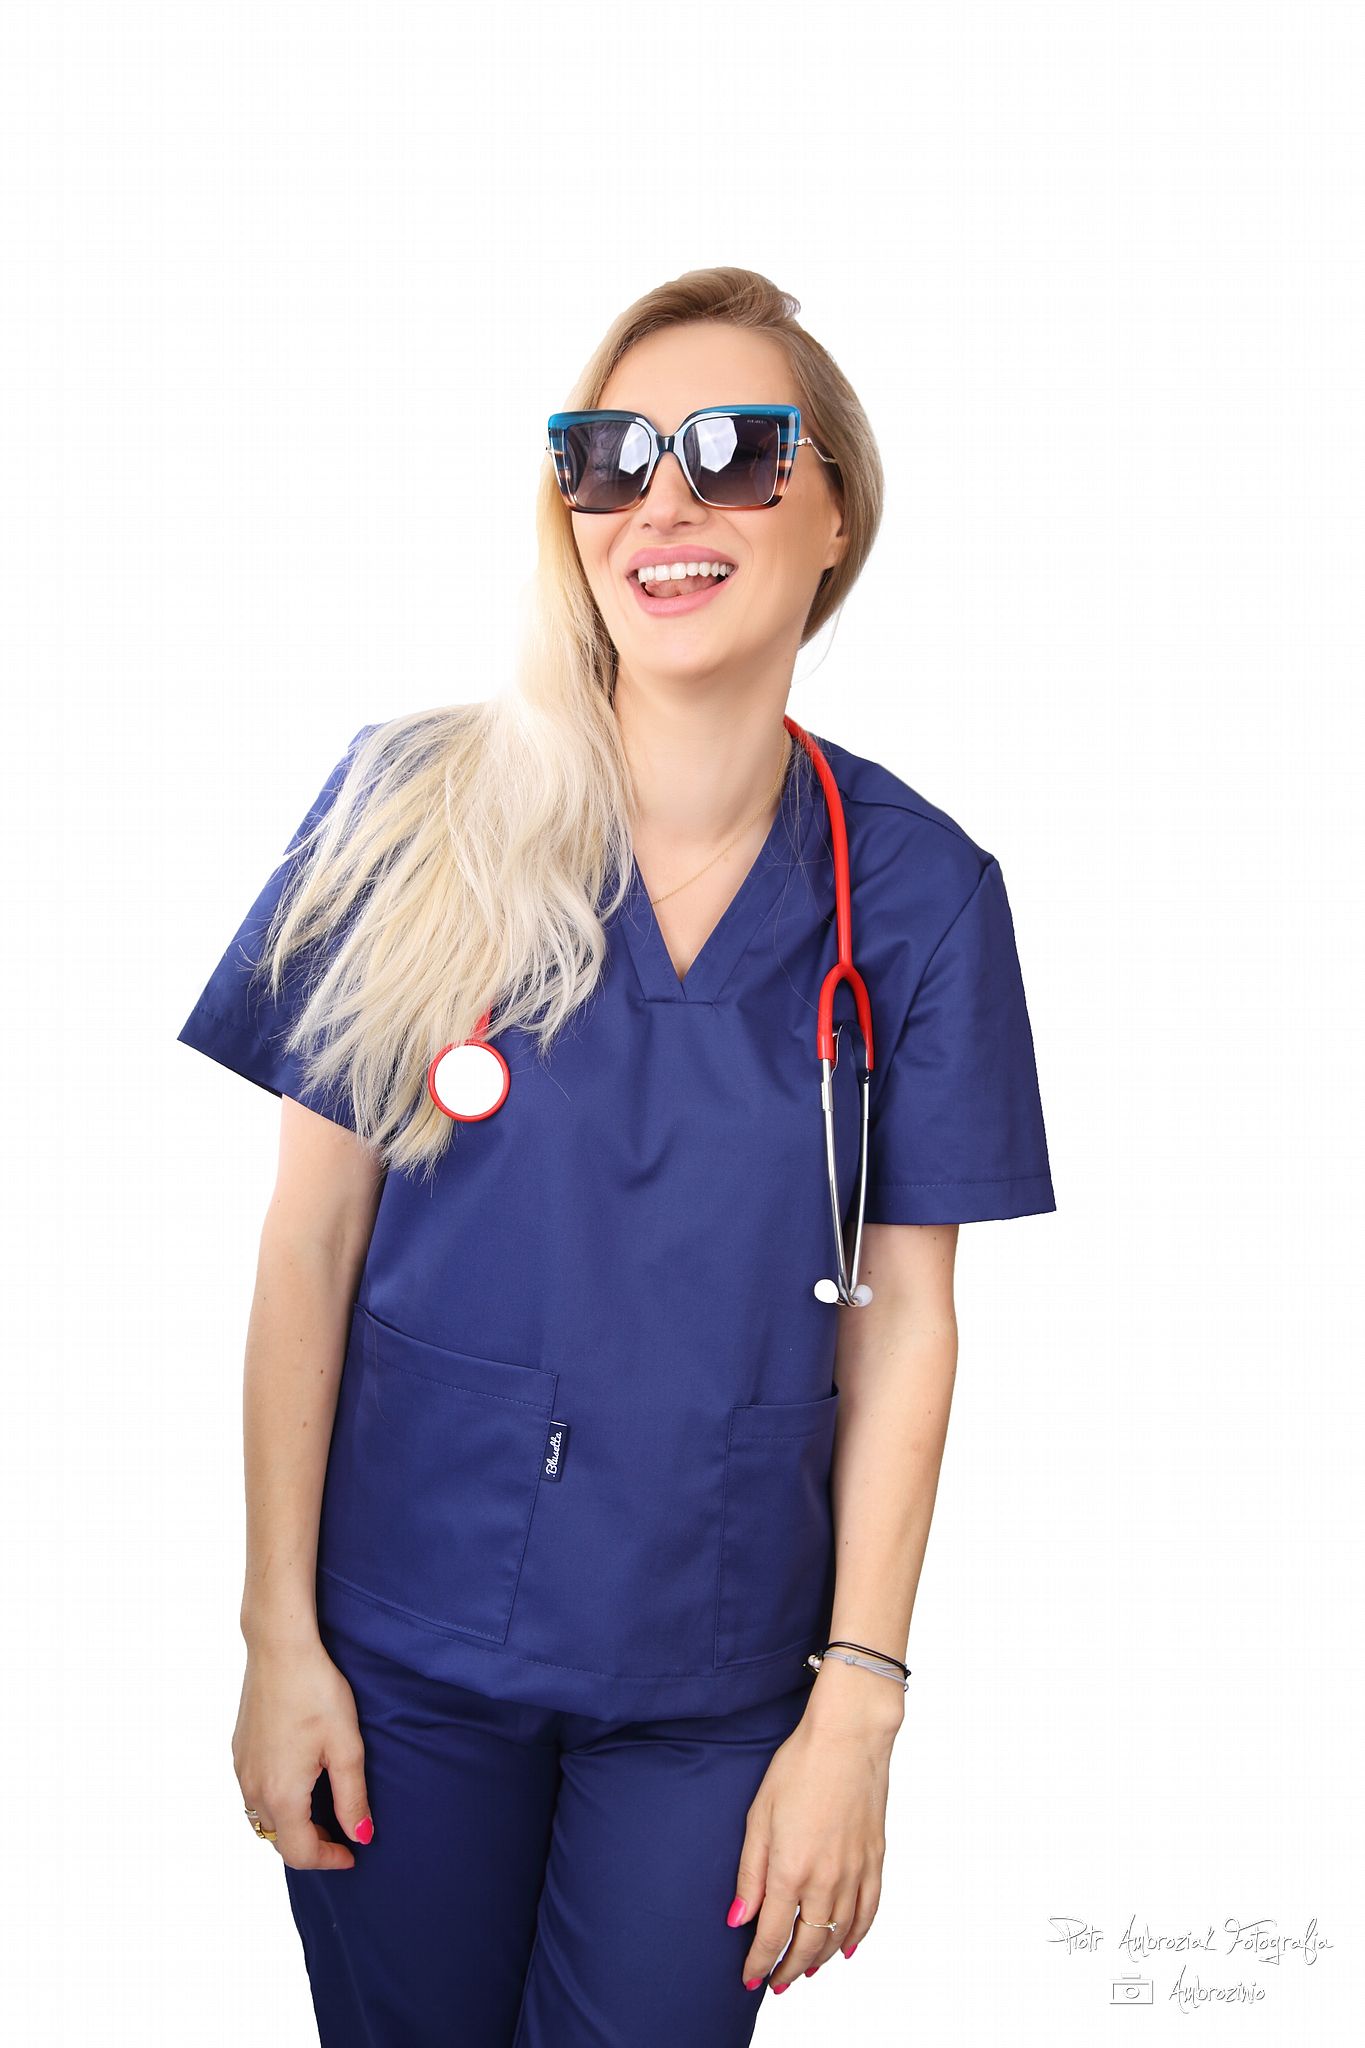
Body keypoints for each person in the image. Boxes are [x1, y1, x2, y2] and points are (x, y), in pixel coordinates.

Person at [177, 265, 1056, 2047]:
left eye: (733, 452)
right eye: (608, 456)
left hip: (714, 1673)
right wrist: (275, 1637)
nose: (662, 500)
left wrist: (857, 1709)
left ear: (834, 516)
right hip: (400, 1648)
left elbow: (905, 1318)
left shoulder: (919, 893)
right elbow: (305, 1246)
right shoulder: (411, 810)